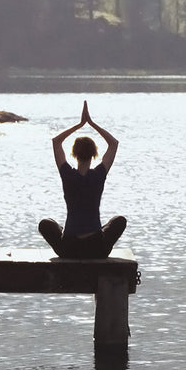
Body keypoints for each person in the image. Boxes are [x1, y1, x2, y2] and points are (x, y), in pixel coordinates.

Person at [38, 100, 128, 259]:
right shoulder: (98, 175)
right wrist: (92, 123)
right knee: (119, 221)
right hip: (97, 248)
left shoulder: (68, 174)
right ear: (94, 154)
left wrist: (79, 125)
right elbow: (113, 144)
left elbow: (56, 142)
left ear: (73, 154)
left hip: (69, 248)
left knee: (46, 223)